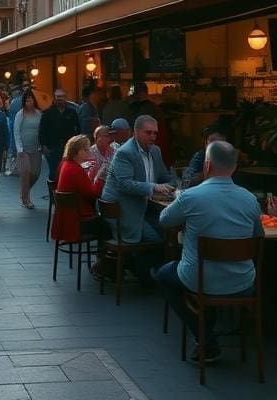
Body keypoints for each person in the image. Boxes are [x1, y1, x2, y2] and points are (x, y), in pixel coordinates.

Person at [156, 139, 263, 364]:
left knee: (164, 275)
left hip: (198, 278)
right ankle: (215, 332)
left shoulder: (191, 197)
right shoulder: (250, 199)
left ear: (206, 166)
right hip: (242, 280)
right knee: (206, 274)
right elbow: (258, 235)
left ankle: (205, 337)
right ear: (234, 167)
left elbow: (164, 220)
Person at [100, 115, 175, 285]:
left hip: (143, 206)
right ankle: (145, 275)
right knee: (155, 238)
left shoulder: (156, 151)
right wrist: (153, 187)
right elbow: (124, 183)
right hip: (123, 211)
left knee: (168, 230)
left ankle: (150, 272)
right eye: (148, 133)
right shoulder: (125, 153)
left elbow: (165, 175)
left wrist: (174, 185)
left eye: (155, 133)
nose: (153, 137)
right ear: (135, 132)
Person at [51, 134, 111, 243]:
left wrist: (92, 173)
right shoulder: (75, 170)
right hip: (76, 221)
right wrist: (102, 177)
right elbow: (94, 193)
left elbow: (84, 187)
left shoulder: (65, 164)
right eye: (86, 150)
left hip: (66, 220)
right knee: (108, 225)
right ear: (76, 152)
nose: (89, 152)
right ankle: (104, 258)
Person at [39, 89, 80, 182]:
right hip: (53, 147)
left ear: (65, 98)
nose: (60, 99)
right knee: (54, 172)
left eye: (62, 97)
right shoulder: (47, 112)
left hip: (68, 147)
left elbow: (77, 128)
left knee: (67, 171)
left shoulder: (72, 112)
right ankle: (53, 194)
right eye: (58, 97)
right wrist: (43, 145)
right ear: (54, 98)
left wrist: (77, 144)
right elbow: (42, 130)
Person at [13, 89, 43, 209]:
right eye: (27, 100)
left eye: (31, 100)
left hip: (36, 148)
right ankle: (26, 199)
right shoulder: (20, 114)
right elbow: (16, 131)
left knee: (35, 174)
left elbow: (42, 130)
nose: (29, 103)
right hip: (24, 150)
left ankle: (24, 191)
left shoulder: (38, 113)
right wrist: (19, 148)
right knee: (25, 174)